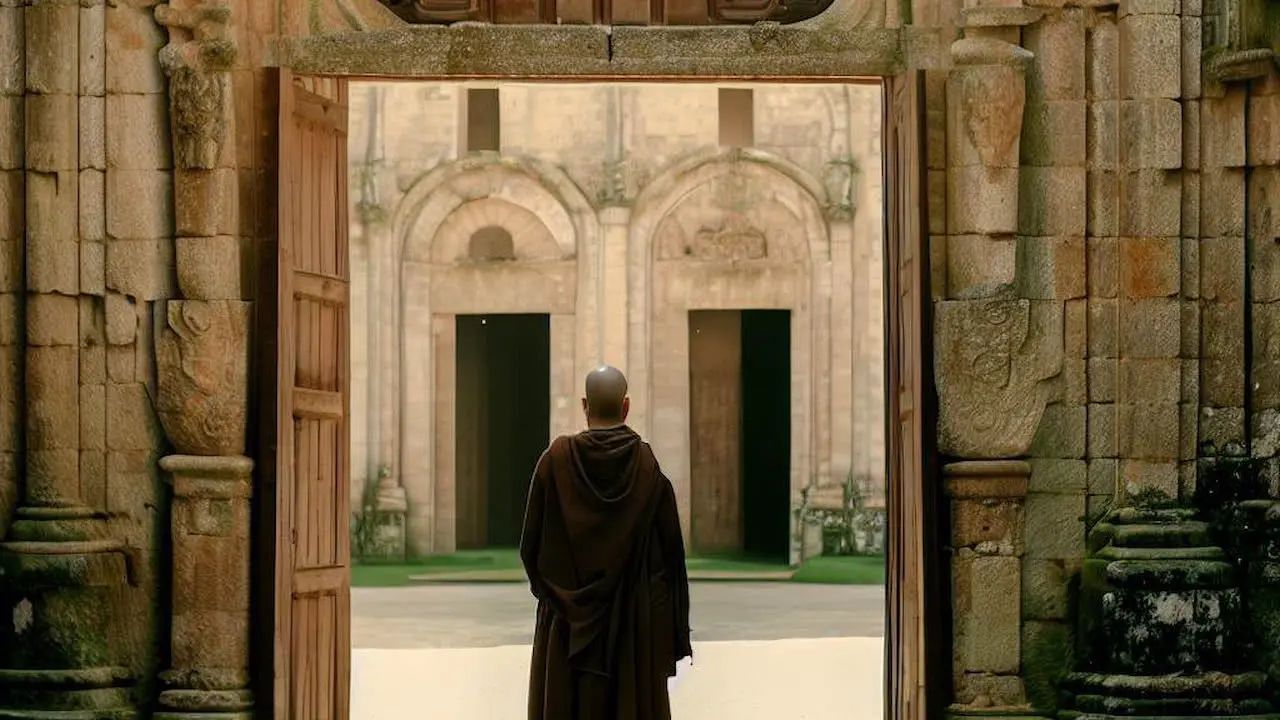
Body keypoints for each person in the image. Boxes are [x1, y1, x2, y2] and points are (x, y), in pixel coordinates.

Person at [520, 365, 693, 720]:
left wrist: (560, 598)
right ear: (626, 406)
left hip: (565, 632)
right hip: (630, 632)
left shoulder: (553, 463)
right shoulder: (650, 471)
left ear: (585, 405)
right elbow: (671, 563)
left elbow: (530, 548)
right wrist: (664, 638)